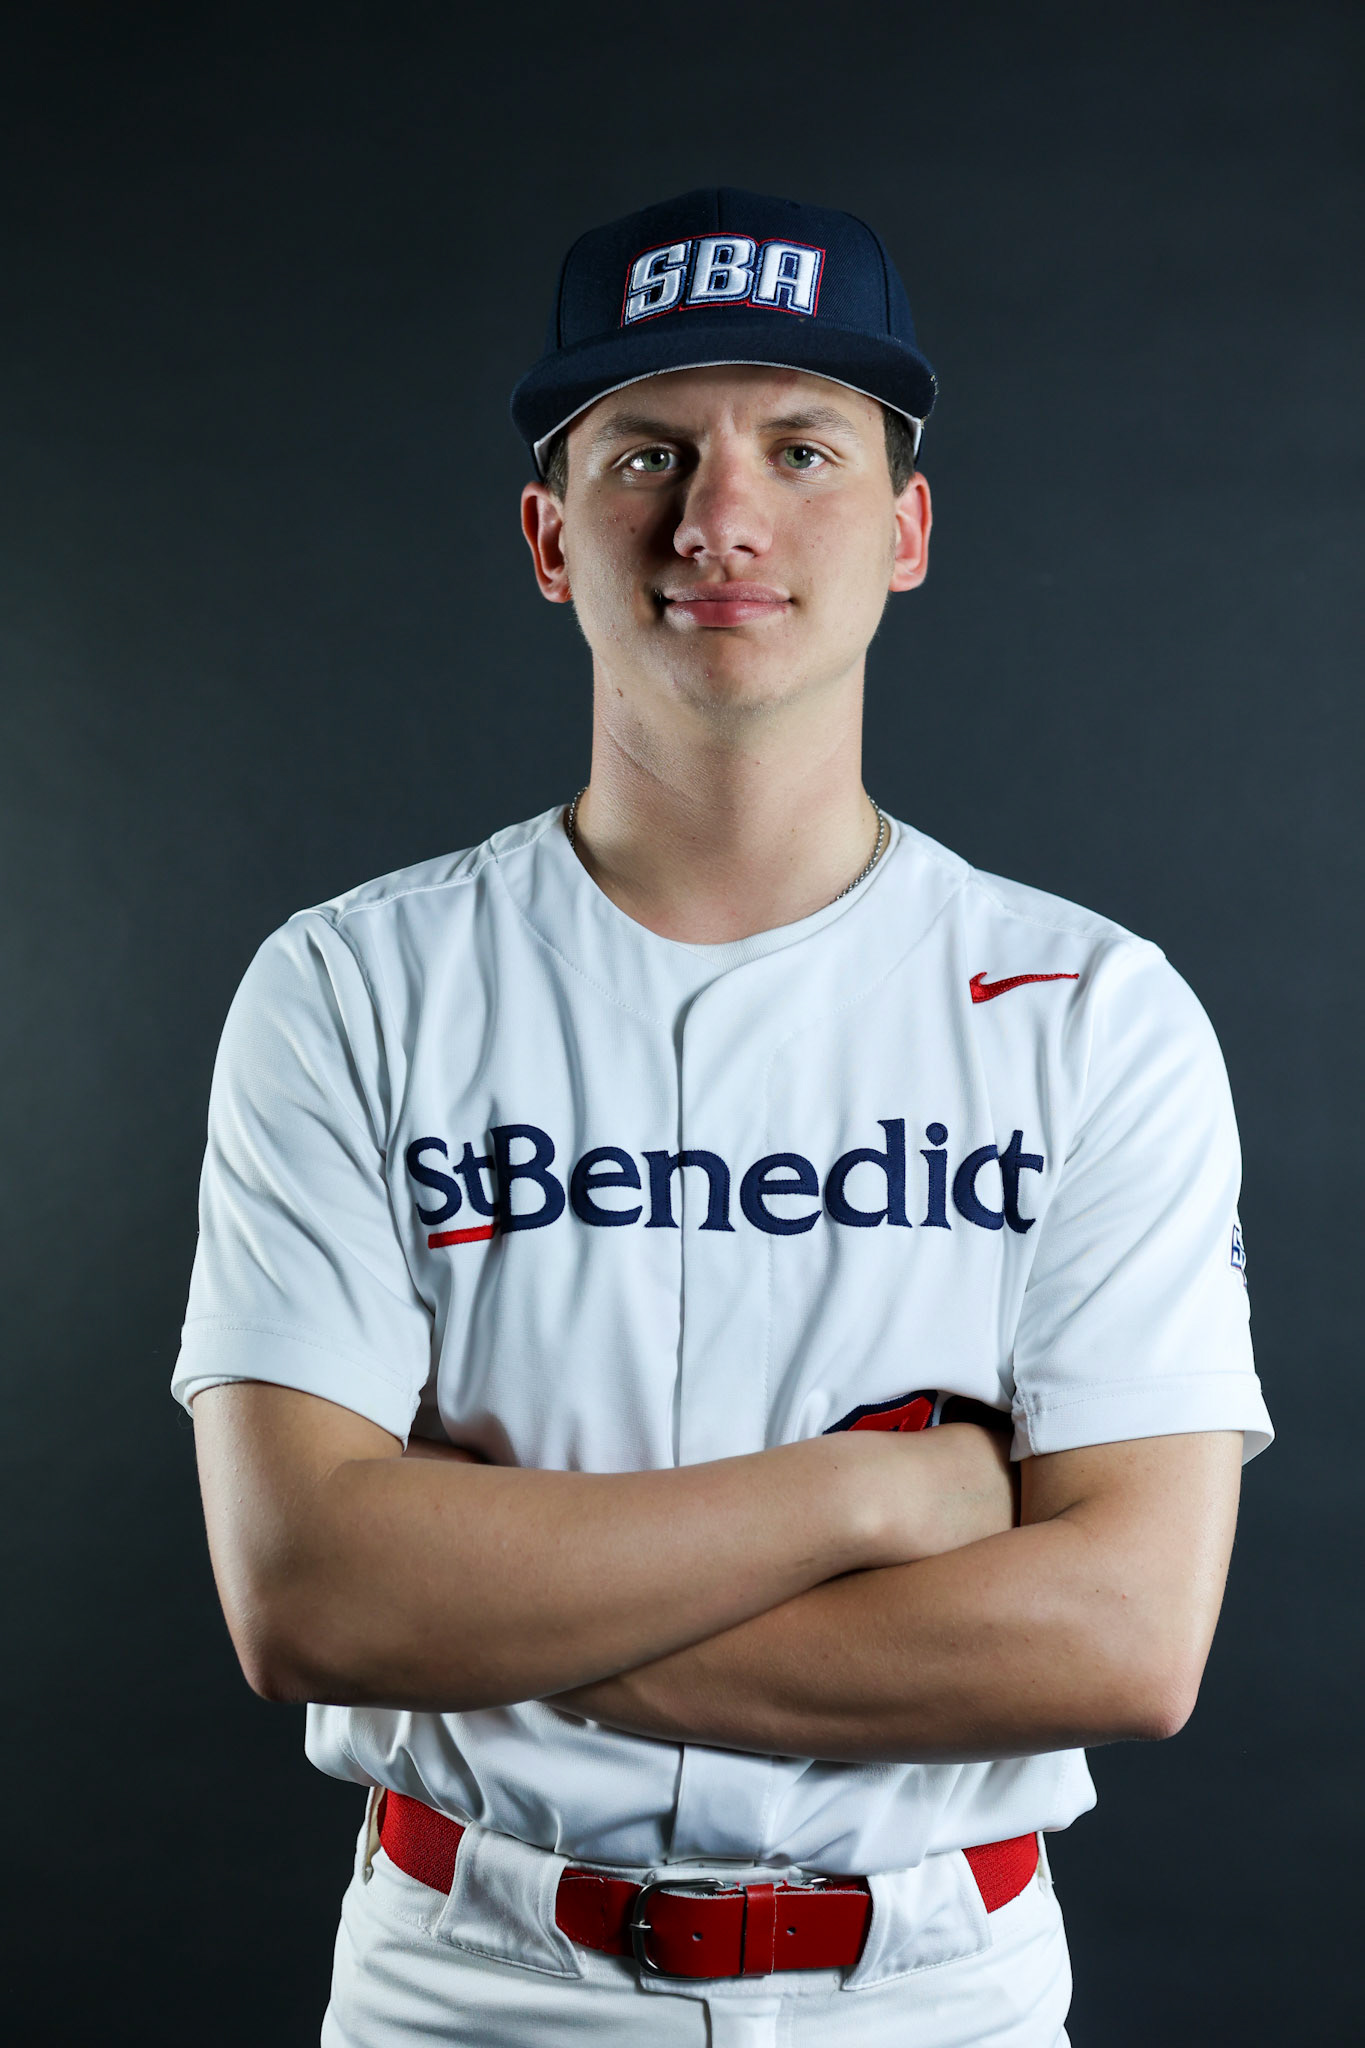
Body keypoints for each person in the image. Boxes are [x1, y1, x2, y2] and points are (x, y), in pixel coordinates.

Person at [176, 188, 1272, 2047]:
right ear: (550, 537)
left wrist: (496, 1600)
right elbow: (311, 1600)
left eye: (802, 447)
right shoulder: (353, 984)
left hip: (934, 1992)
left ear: (905, 529)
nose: (718, 520)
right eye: (646, 454)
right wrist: (875, 1495)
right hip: (475, 1982)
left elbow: (1122, 1639)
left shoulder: (1096, 1013)